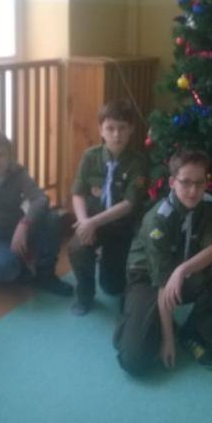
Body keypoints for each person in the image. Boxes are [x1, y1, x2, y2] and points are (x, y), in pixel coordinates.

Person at [114, 150, 212, 376]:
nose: (193, 191)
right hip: (148, 280)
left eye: (199, 183)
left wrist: (182, 270)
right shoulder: (158, 219)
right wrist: (168, 340)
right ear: (172, 182)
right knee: (134, 361)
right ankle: (133, 316)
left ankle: (194, 333)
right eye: (185, 182)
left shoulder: (206, 206)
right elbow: (163, 285)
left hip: (180, 273)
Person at [0, 131, 72, 296]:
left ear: (10, 156)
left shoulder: (18, 172)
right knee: (6, 268)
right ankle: (22, 269)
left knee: (52, 219)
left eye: (1, 155)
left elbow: (40, 198)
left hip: (15, 228)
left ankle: (45, 275)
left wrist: (24, 224)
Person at [68, 99, 146, 316]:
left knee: (112, 287)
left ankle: (121, 285)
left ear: (131, 129)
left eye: (122, 128)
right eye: (110, 128)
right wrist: (84, 222)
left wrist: (92, 223)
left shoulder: (137, 162)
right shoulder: (90, 156)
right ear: (100, 130)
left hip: (122, 227)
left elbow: (129, 204)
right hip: (93, 221)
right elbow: (78, 193)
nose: (116, 134)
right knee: (77, 248)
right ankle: (85, 295)